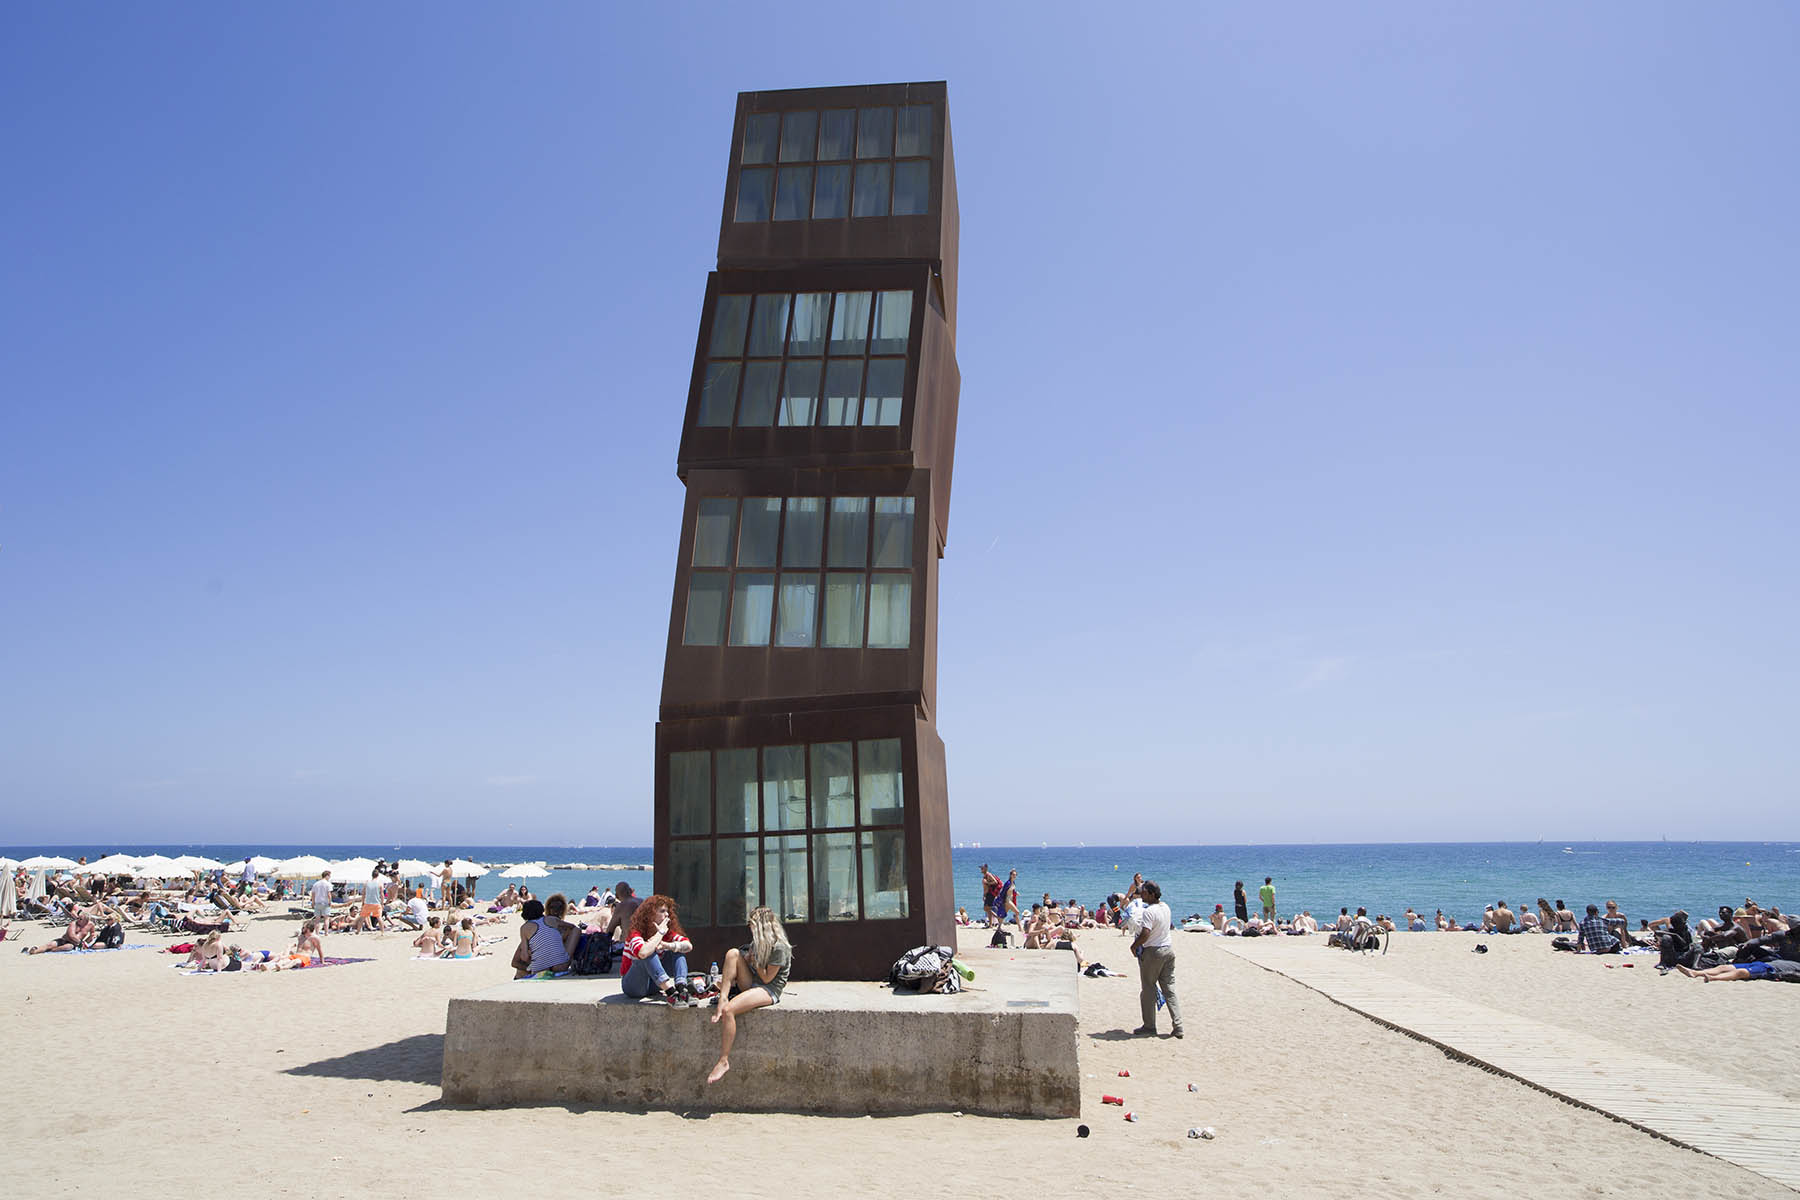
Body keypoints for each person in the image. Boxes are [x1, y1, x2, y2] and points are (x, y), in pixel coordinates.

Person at [708, 906, 792, 1084]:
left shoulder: (779, 947)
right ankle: (723, 997)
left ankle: (723, 1061)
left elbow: (768, 979)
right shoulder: (758, 943)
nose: (750, 927)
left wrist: (755, 961)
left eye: (752, 924)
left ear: (762, 926)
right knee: (733, 953)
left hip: (769, 990)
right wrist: (747, 960)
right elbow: (751, 967)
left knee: (729, 1011)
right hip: (754, 982)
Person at [1128, 880, 1182, 1039]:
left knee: (1148, 989)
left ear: (1152, 894)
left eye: (1144, 892)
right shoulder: (1166, 907)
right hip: (1168, 950)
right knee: (1169, 989)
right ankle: (1178, 1025)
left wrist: (1134, 945)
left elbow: (1145, 933)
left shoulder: (1149, 912)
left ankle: (1149, 1026)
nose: (1141, 895)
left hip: (1153, 952)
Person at [619, 894, 693, 1001]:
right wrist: (660, 933)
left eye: (667, 911)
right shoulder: (635, 933)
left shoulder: (668, 934)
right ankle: (670, 992)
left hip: (653, 985)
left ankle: (681, 987)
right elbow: (643, 953)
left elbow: (688, 946)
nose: (667, 914)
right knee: (648, 951)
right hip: (633, 986)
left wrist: (667, 945)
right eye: (662, 911)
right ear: (650, 914)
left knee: (677, 949)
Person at [511, 899, 573, 978]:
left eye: (559, 907)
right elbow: (515, 962)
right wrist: (529, 968)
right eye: (552, 907)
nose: (556, 911)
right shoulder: (531, 936)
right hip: (527, 974)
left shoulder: (555, 931)